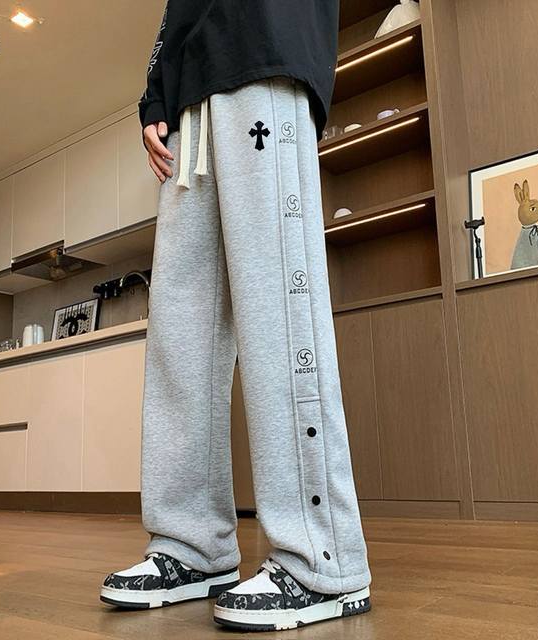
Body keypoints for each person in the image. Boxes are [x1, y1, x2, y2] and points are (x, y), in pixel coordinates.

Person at [100, 0, 372, 631]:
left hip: (263, 58)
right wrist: (155, 96)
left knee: (278, 312)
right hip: (188, 105)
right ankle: (192, 543)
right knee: (181, 335)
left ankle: (321, 556)